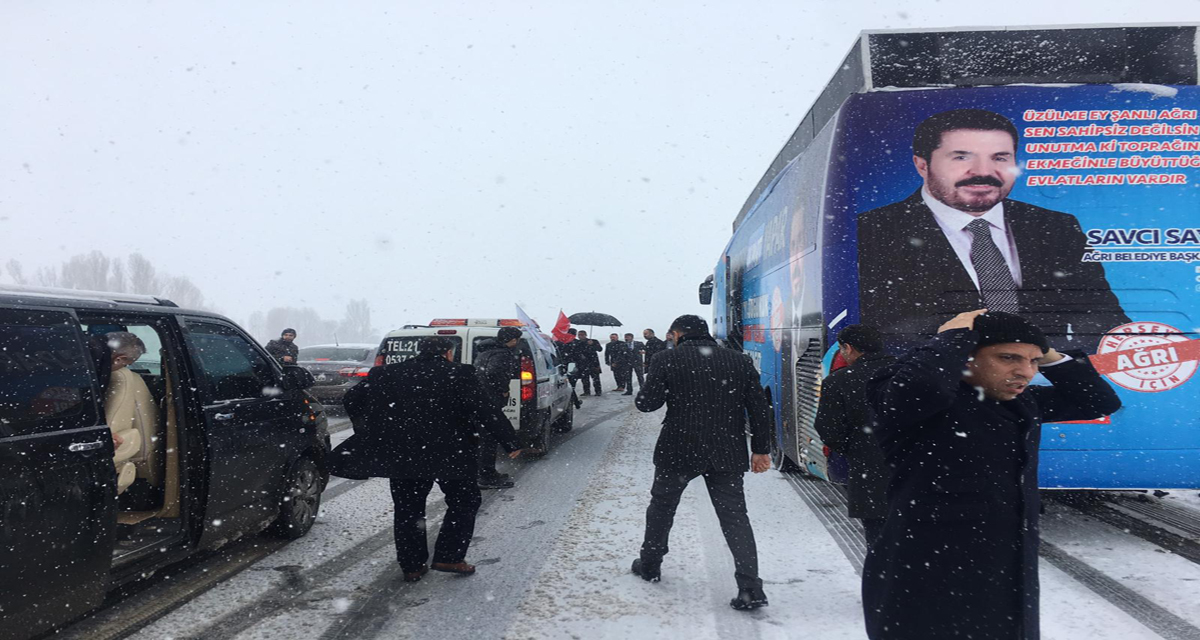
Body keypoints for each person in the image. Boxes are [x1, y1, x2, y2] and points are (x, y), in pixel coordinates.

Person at [862, 310, 1121, 639]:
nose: (1024, 372)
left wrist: (1045, 350)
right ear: (965, 357)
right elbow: (920, 387)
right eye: (1007, 357)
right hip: (925, 582)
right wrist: (952, 336)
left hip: (1006, 582)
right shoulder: (919, 404)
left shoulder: (1019, 403)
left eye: (1033, 362)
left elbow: (1099, 401)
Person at [856, 109, 1129, 352]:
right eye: (961, 156)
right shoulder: (872, 232)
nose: (983, 171)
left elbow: (1102, 318)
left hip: (1041, 390)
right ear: (922, 165)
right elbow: (875, 333)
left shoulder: (1056, 226)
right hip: (936, 393)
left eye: (1000, 157)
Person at [341, 336, 524, 582]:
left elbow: (351, 400)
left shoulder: (386, 373)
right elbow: (485, 408)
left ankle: (412, 566)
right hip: (452, 451)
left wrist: (370, 429)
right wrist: (509, 441)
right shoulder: (459, 374)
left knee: (408, 509)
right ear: (448, 352)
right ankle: (449, 556)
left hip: (403, 452)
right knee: (464, 502)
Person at [632, 314, 773, 611]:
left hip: (678, 449)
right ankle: (750, 587)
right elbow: (760, 408)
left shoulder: (665, 359)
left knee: (662, 507)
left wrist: (660, 379)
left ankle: (650, 564)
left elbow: (647, 404)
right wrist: (761, 449)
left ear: (678, 334)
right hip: (726, 450)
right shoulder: (739, 360)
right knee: (735, 518)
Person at [812, 325, 894, 547]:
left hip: (871, 479)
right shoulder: (907, 372)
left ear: (848, 348)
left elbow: (828, 429)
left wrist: (858, 450)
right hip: (918, 478)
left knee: (880, 549)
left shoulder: (839, 381)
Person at [104, 332, 157, 496]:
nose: (125, 369)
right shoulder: (100, 376)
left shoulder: (74, 368)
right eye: (129, 363)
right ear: (119, 359)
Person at [472, 326, 523, 489]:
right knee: (489, 439)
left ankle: (485, 473)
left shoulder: (485, 351)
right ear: (512, 340)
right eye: (517, 339)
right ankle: (486, 477)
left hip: (480, 399)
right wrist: (503, 389)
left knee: (483, 439)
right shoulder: (502, 353)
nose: (517, 343)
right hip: (490, 400)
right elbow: (494, 372)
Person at [575, 330, 603, 396]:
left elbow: (600, 349)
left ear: (585, 335)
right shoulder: (577, 343)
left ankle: (598, 391)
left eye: (582, 335)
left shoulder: (593, 341)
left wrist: (592, 344)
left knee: (596, 379)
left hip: (594, 363)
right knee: (584, 379)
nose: (580, 336)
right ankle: (586, 391)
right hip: (583, 364)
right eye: (579, 335)